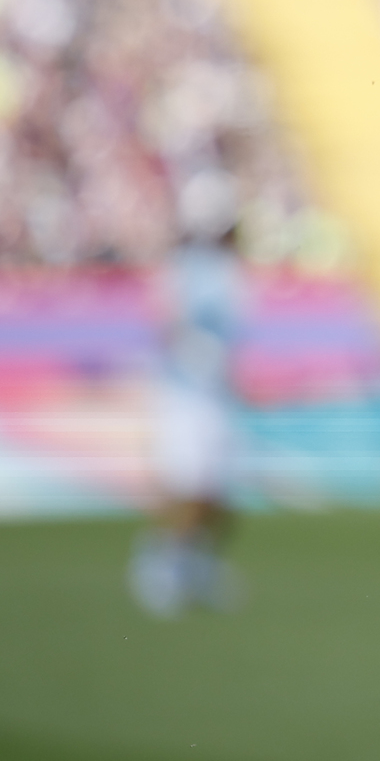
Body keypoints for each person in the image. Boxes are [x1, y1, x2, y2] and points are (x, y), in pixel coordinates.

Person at [131, 221, 247, 617]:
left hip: (214, 396)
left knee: (218, 495)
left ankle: (196, 563)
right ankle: (162, 565)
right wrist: (201, 357)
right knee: (188, 487)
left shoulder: (230, 273)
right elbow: (170, 328)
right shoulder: (187, 268)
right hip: (183, 395)